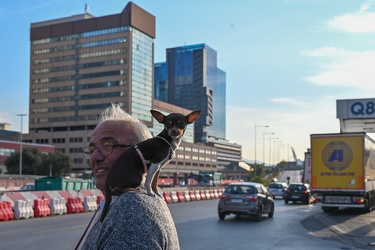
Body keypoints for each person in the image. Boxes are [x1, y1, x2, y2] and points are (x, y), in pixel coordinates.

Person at [80, 103, 180, 250]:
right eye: (92, 149)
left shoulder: (131, 208)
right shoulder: (123, 201)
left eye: (108, 146)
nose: (95, 157)